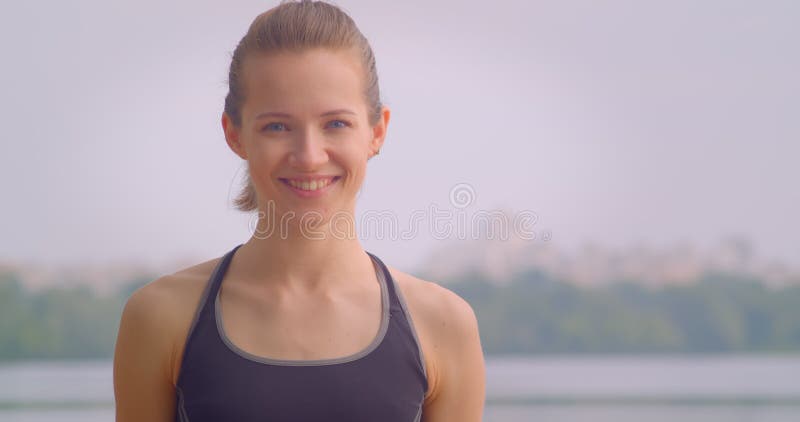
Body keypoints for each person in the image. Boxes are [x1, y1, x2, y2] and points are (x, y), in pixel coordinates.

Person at [112, 1, 485, 421]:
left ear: (377, 131)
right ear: (234, 134)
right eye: (277, 126)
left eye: (336, 124)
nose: (308, 156)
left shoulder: (443, 325)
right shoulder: (161, 317)